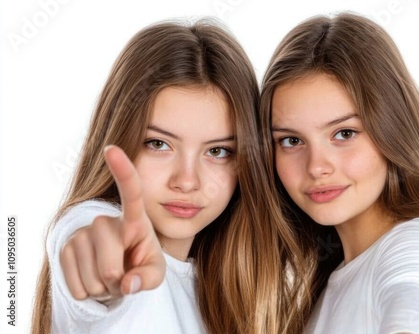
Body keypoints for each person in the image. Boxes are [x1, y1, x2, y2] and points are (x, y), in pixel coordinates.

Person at [31, 19, 309, 334]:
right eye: (158, 144)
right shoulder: (106, 236)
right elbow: (89, 232)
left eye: (217, 151)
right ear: (120, 140)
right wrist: (101, 260)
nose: (187, 181)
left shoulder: (222, 291)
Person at [259, 12, 419, 333]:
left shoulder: (416, 247)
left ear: (392, 130)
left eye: (344, 133)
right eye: (291, 140)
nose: (316, 166)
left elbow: (415, 297)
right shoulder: (333, 279)